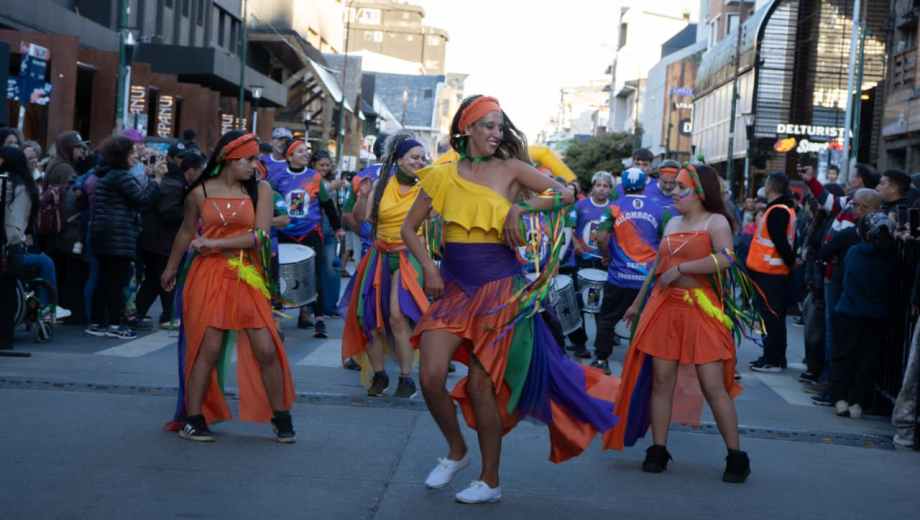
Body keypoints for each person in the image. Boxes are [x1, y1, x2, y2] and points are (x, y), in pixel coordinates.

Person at [400, 95, 617, 504]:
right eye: (488, 126)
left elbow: (567, 194)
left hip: (500, 290)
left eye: (501, 127)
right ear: (467, 129)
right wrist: (428, 269)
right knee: (429, 376)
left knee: (483, 386)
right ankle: (457, 450)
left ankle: (490, 480)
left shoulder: (513, 169)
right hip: (453, 289)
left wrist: (521, 210)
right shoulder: (442, 174)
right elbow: (410, 229)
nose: (497, 134)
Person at [604, 164, 751, 484]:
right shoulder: (671, 223)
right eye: (675, 187)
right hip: (665, 308)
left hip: (701, 308)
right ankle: (658, 449)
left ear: (699, 192)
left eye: (682, 188)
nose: (675, 192)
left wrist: (685, 267)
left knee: (714, 386)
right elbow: (658, 267)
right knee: (661, 381)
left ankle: (736, 455)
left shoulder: (716, 221)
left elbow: (727, 258)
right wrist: (636, 304)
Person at [160, 130, 296, 443]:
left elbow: (259, 236)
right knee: (207, 349)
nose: (254, 165)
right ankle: (193, 419)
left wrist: (213, 244)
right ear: (228, 159)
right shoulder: (199, 192)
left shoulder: (260, 189)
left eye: (256, 159)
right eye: (248, 160)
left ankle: (281, 415)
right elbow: (184, 232)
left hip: (246, 272)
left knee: (266, 347)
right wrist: (170, 268)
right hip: (206, 274)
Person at [341, 133, 430, 398]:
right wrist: (362, 196)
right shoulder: (381, 185)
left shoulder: (428, 186)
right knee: (368, 318)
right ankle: (380, 375)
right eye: (414, 157)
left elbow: (437, 222)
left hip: (408, 255)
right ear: (399, 159)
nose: (420, 162)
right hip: (379, 254)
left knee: (397, 315)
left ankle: (406, 378)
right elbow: (361, 220)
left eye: (422, 157)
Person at [592, 167, 668, 374]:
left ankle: (601, 359)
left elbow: (600, 237)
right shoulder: (659, 208)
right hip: (647, 279)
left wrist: (606, 255)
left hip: (619, 276)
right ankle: (642, 362)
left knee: (607, 318)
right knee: (647, 321)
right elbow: (667, 240)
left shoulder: (614, 207)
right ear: (644, 185)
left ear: (621, 186)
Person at [268, 139, 344, 338]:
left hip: (310, 231)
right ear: (290, 156)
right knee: (280, 275)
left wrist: (337, 228)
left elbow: (328, 204)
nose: (305, 154)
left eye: (306, 151)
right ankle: (277, 318)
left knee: (314, 274)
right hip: (285, 232)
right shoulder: (277, 178)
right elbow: (269, 202)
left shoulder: (315, 177)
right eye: (300, 151)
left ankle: (316, 318)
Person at [86, 136, 159, 339]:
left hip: (103, 234)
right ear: (122, 156)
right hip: (118, 236)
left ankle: (98, 322)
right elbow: (142, 200)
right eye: (132, 153)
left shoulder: (105, 174)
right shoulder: (121, 176)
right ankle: (116, 324)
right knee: (117, 281)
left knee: (104, 279)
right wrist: (156, 181)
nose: (135, 157)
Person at [830, 212, 895, 419]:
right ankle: (857, 400)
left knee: (844, 356)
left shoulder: (855, 252)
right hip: (876, 314)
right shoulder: (892, 257)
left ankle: (840, 398)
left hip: (849, 311)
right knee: (867, 359)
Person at [1, 146, 64, 318]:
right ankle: (46, 308)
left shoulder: (13, 184)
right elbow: (15, 226)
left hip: (10, 245)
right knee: (45, 262)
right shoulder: (20, 187)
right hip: (10, 249)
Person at [132, 145, 190, 330]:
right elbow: (168, 212)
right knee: (164, 278)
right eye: (177, 157)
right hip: (161, 241)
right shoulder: (173, 184)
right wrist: (189, 212)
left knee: (154, 279)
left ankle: (138, 313)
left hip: (154, 240)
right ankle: (166, 316)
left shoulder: (169, 182)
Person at [747, 173, 797, 373]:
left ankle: (773, 359)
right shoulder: (781, 209)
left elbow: (780, 242)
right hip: (771, 271)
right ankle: (773, 357)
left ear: (771, 186)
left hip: (771, 271)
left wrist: (790, 263)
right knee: (772, 317)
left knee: (771, 317)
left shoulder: (777, 210)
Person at [564, 170, 614, 358]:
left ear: (610, 189)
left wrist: (609, 254)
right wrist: (577, 245)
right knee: (580, 302)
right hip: (583, 261)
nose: (602, 189)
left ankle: (601, 347)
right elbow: (570, 227)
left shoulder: (614, 208)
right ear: (593, 187)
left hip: (604, 262)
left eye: (606, 186)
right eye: (598, 185)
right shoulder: (580, 206)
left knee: (599, 304)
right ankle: (580, 344)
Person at [42, 131, 90, 323]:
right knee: (72, 272)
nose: (81, 152)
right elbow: (71, 202)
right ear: (69, 149)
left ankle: (61, 309)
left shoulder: (56, 164)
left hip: (56, 228)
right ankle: (70, 312)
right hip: (66, 230)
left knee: (62, 270)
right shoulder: (65, 169)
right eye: (78, 148)